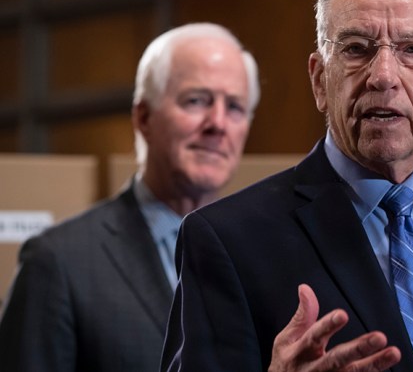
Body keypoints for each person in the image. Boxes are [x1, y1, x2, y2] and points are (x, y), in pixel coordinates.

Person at [161, 0, 413, 372]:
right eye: (357, 49)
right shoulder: (227, 240)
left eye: (412, 50)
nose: (383, 76)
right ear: (320, 80)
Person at [0, 22, 260, 372]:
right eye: (196, 100)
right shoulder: (57, 263)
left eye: (234, 107)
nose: (218, 123)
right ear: (143, 116)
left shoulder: (262, 253)